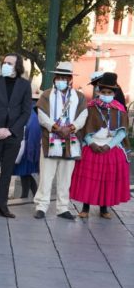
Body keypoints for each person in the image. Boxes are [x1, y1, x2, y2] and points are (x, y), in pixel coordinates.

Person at [70, 72, 130, 218]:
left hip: (111, 148)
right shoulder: (90, 107)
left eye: (109, 92)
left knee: (106, 181)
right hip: (92, 146)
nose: (106, 94)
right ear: (98, 92)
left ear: (114, 93)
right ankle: (85, 208)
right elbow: (84, 128)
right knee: (89, 180)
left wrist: (109, 146)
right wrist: (91, 144)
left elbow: (122, 133)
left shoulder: (120, 110)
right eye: (103, 92)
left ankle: (104, 209)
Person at [33, 62, 88, 220]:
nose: (61, 80)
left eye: (65, 77)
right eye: (59, 77)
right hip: (50, 138)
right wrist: (56, 127)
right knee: (46, 174)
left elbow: (83, 115)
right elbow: (41, 114)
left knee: (66, 176)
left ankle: (62, 207)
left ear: (70, 79)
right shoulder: (46, 94)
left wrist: (71, 128)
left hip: (70, 140)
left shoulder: (79, 97)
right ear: (55, 78)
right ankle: (41, 206)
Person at [0, 53, 33, 218]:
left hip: (13, 135)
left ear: (17, 66)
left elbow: (26, 112)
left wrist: (11, 130)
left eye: (10, 63)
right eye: (5, 62)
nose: (6, 65)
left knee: (7, 171)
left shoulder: (25, 85)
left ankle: (2, 205)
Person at [11, 92, 42, 199]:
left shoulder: (30, 111)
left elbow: (32, 129)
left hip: (26, 149)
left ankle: (29, 195)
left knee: (25, 173)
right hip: (28, 148)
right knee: (25, 174)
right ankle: (27, 195)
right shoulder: (33, 110)